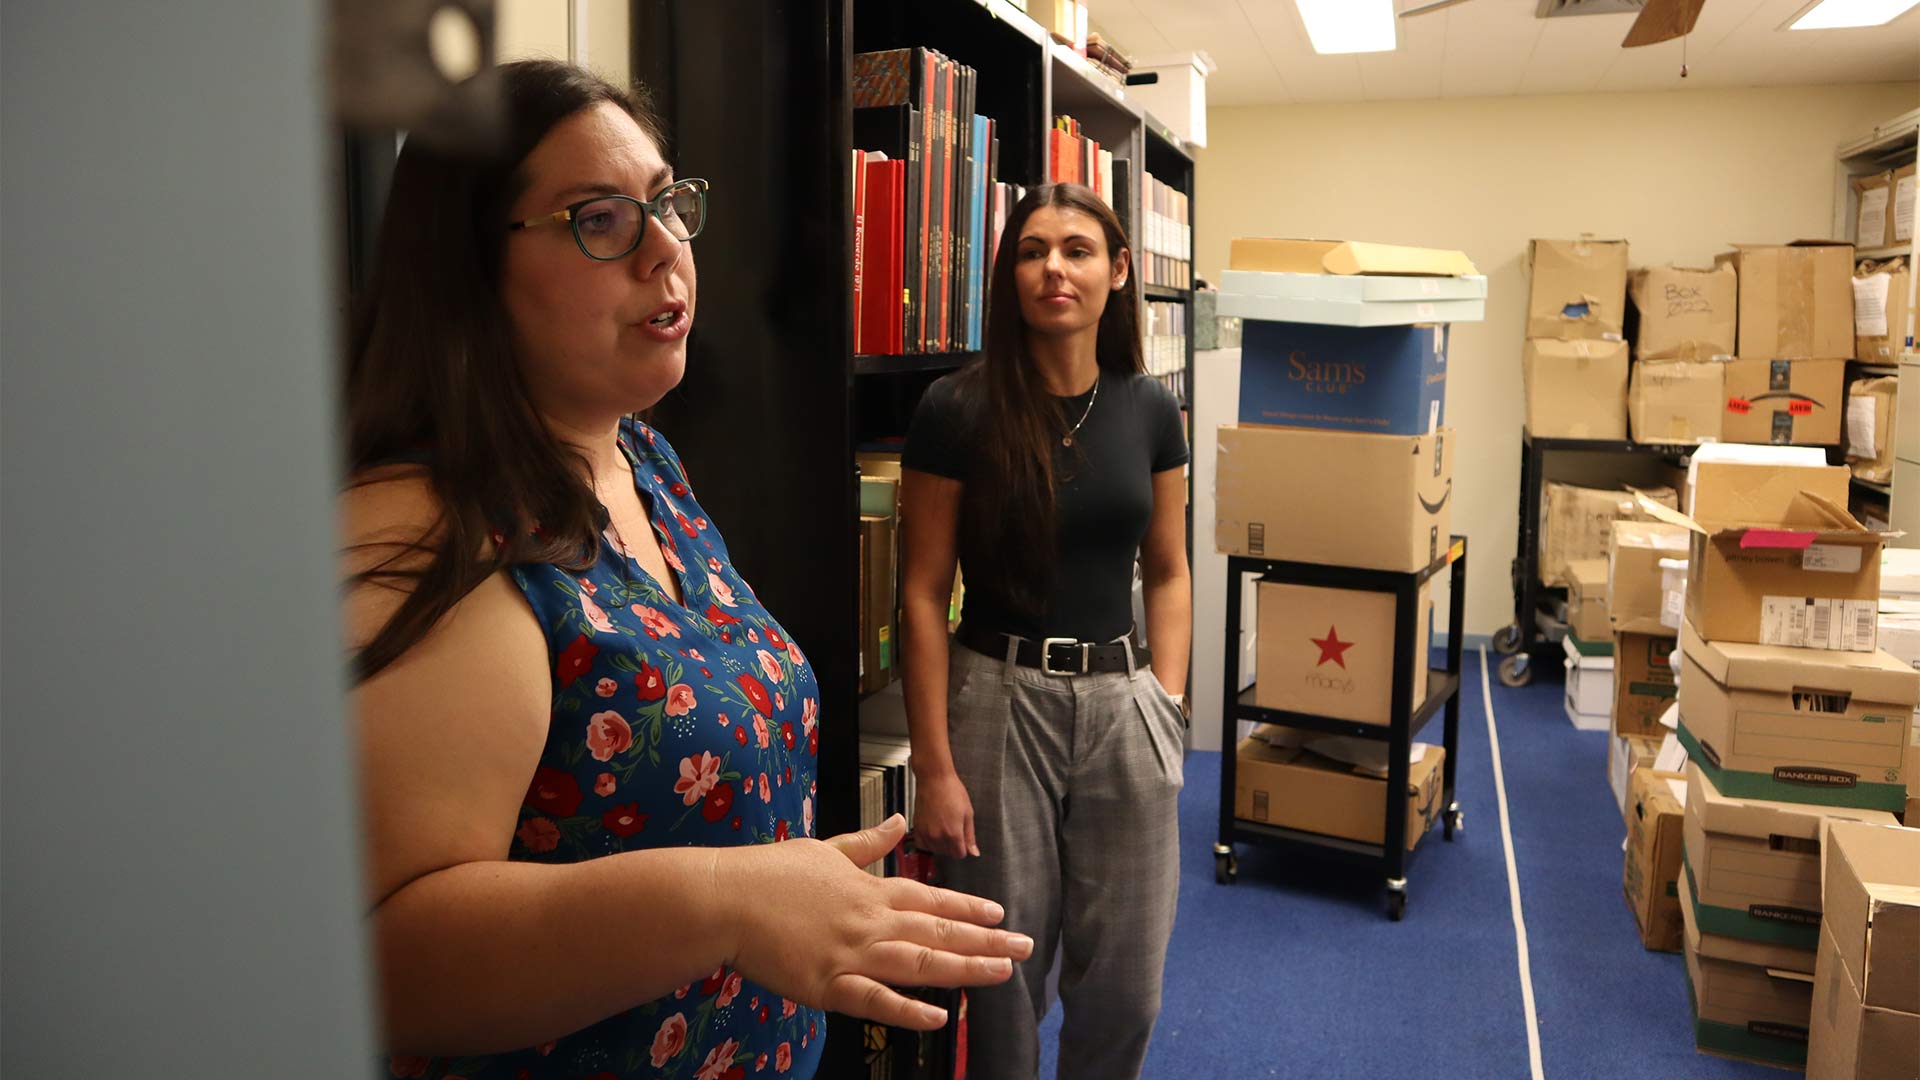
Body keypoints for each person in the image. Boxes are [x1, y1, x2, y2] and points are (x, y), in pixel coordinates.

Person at [342, 60, 1031, 1080]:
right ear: (467, 264)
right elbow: (385, 969)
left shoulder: (639, 456)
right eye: (600, 219)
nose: (666, 249)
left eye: (667, 205)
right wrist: (727, 902)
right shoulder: (421, 534)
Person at [897, 182, 1193, 1080]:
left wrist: (1168, 703)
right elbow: (919, 593)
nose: (1053, 268)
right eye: (1031, 251)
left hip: (1125, 703)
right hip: (997, 701)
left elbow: (1171, 570)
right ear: (1009, 274)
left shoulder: (1148, 407)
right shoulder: (957, 409)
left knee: (1128, 985)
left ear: (1118, 272)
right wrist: (935, 765)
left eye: (1075, 249)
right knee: (1002, 978)